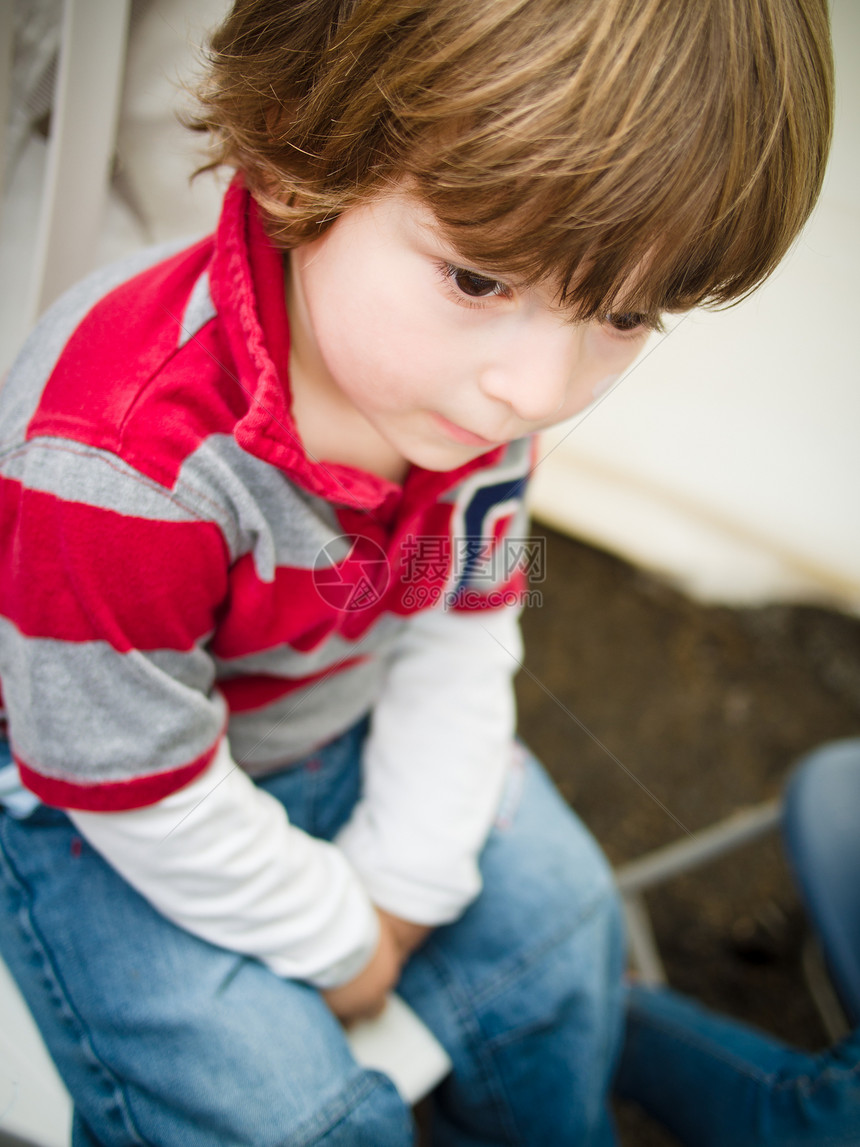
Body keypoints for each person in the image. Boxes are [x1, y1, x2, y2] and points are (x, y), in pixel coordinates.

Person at [0, 2, 833, 1144]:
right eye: (480, 279)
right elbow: (121, 776)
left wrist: (406, 881)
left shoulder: (458, 400)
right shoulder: (122, 458)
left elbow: (458, 626)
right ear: (301, 150)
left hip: (331, 719)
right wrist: (342, 935)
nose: (539, 391)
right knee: (297, 1121)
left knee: (563, 933)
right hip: (92, 800)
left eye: (623, 313)